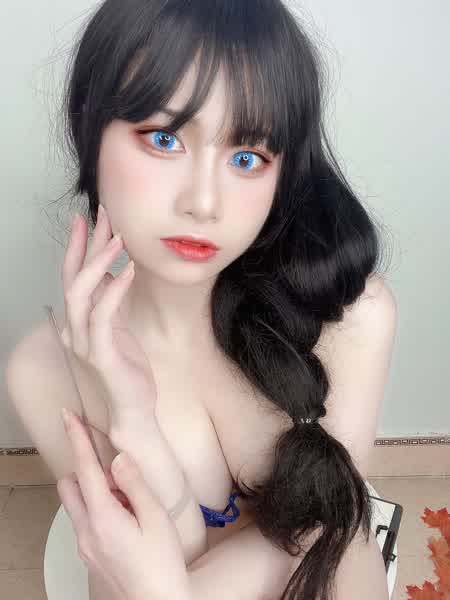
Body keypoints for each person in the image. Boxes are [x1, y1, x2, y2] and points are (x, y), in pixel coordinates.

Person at [5, 1, 396, 599]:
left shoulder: (348, 317)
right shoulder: (44, 371)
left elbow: (333, 534)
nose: (204, 203)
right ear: (90, 134)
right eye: (164, 138)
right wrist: (132, 419)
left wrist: (175, 592)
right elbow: (131, 569)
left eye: (247, 157)